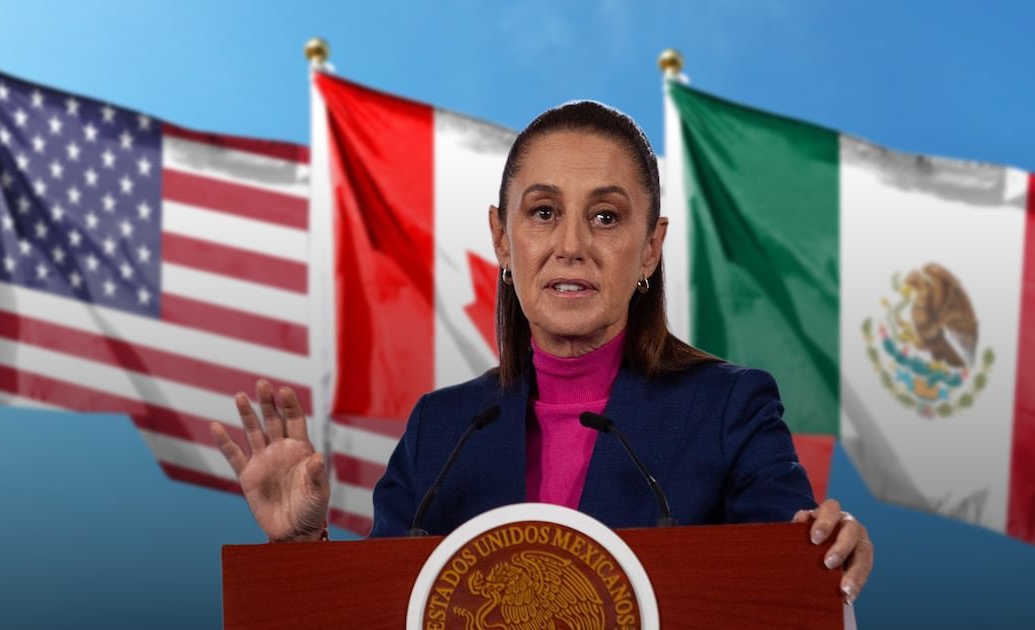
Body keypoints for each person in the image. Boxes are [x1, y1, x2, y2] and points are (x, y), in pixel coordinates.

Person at [210, 101, 874, 602]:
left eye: (606, 217)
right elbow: (388, 611)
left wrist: (825, 553)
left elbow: (785, 582)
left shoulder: (730, 408)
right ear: (502, 238)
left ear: (650, 247)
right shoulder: (442, 431)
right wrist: (302, 548)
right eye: (543, 212)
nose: (572, 246)